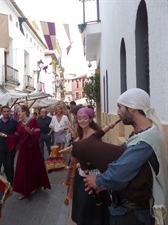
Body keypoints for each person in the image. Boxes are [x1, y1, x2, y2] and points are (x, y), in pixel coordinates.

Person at [84, 88, 168, 225]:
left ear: (132, 108)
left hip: (133, 216)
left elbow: (119, 173)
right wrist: (105, 184)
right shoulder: (140, 134)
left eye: (120, 107)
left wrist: (99, 180)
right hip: (127, 211)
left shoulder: (145, 141)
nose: (117, 112)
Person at [60, 107, 111, 225]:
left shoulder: (94, 134)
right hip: (81, 173)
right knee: (80, 203)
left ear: (90, 119)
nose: (82, 121)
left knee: (88, 205)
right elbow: (74, 147)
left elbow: (93, 157)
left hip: (91, 174)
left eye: (85, 118)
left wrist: (74, 166)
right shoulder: (82, 133)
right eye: (79, 118)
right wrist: (61, 152)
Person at [0, 105, 51, 199]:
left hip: (33, 150)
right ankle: (25, 190)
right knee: (23, 170)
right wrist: (7, 136)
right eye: (17, 112)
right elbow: (16, 136)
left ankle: (37, 185)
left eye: (19, 111)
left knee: (35, 168)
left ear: (24, 112)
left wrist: (32, 133)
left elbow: (37, 134)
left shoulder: (33, 121)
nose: (17, 113)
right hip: (24, 151)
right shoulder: (19, 124)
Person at [0, 105, 17, 186]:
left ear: (10, 112)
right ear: (2, 112)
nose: (6, 113)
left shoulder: (14, 122)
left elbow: (17, 135)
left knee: (10, 164)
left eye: (8, 111)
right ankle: (9, 180)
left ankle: (10, 182)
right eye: (4, 112)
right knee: (5, 165)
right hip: (1, 147)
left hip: (11, 147)